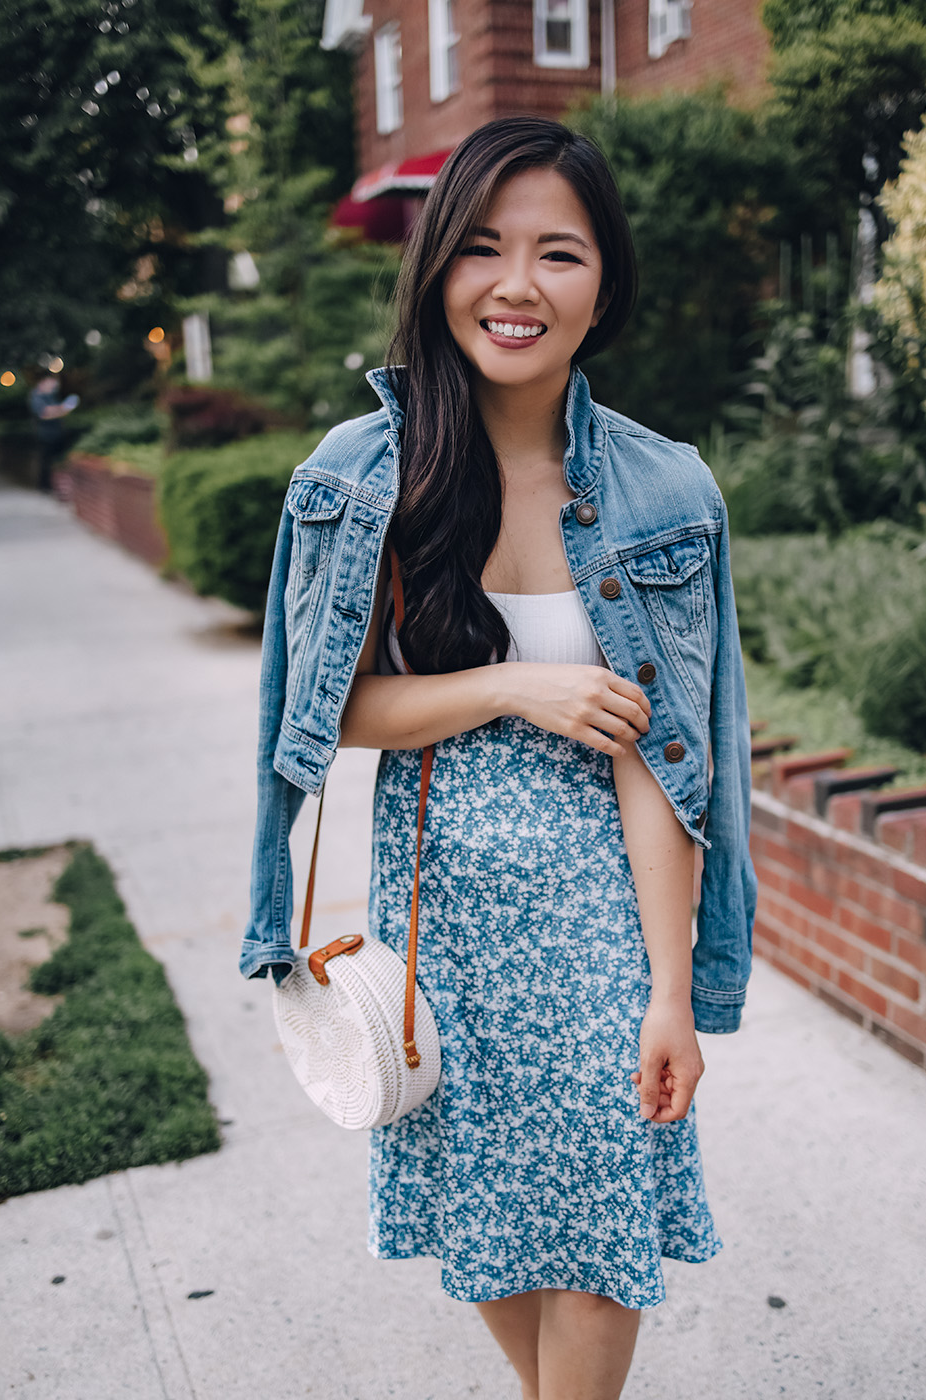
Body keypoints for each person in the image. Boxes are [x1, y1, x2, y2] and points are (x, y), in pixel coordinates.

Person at [241, 115, 756, 1400]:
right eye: (481, 247)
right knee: (484, 1216)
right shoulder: (364, 476)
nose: (516, 285)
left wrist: (671, 988)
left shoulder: (665, 492)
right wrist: (511, 685)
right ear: (437, 270)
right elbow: (326, 712)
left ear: (604, 283)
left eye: (558, 253)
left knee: (599, 1230)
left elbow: (668, 765)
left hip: (603, 924)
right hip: (440, 920)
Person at [28, 373, 78, 492]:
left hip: (57, 433)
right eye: (51, 383)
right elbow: (45, 413)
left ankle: (57, 485)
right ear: (43, 382)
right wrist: (62, 408)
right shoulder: (36, 396)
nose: (54, 386)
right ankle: (44, 486)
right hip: (45, 435)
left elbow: (58, 412)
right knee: (46, 461)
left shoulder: (51, 396)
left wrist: (59, 410)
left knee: (58, 460)